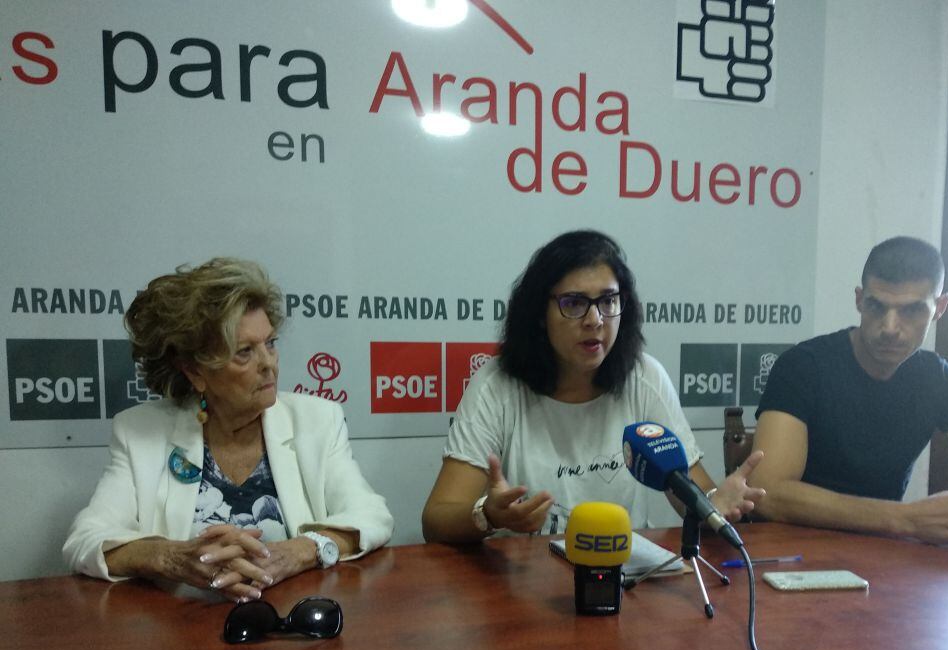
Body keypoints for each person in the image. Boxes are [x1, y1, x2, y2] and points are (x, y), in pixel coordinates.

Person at [64, 258, 393, 600]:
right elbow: (84, 541)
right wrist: (172, 558)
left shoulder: (316, 419)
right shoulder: (139, 432)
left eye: (270, 343)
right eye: (244, 353)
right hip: (183, 631)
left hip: (293, 628)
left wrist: (300, 551)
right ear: (196, 372)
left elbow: (372, 516)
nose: (268, 364)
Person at [422, 229, 764, 542]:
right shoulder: (497, 386)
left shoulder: (643, 378)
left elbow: (693, 499)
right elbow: (436, 520)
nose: (595, 320)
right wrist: (488, 516)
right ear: (540, 314)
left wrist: (714, 505)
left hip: (625, 577)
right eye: (574, 303)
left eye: (607, 301)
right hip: (526, 584)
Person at [749, 236, 948, 544]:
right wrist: (905, 519)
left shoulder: (936, 378)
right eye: (876, 306)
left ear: (940, 307)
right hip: (790, 551)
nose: (890, 327)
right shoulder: (804, 366)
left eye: (911, 311)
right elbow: (767, 492)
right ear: (859, 300)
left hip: (881, 557)